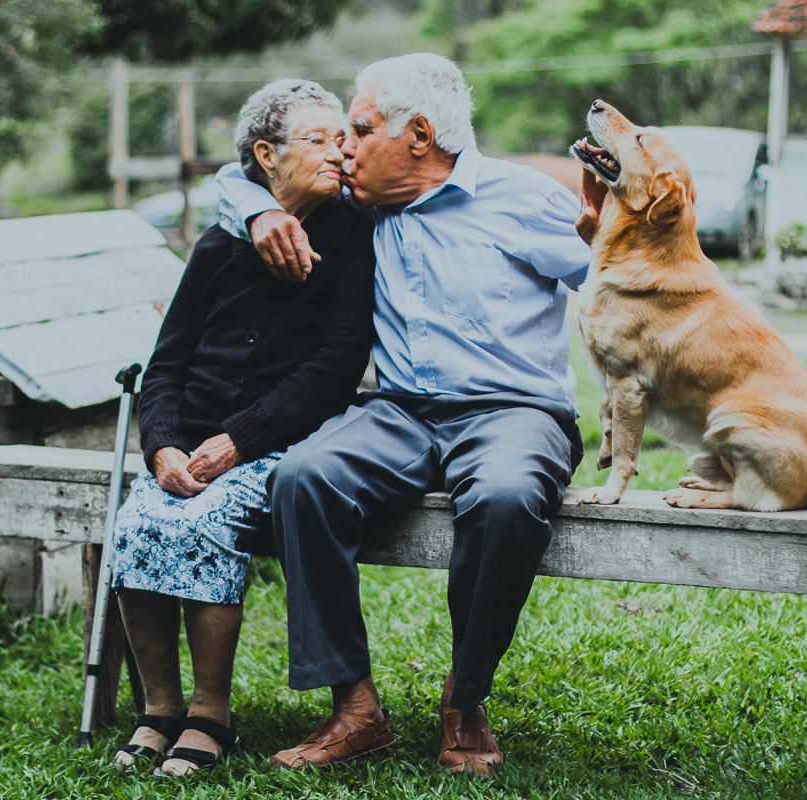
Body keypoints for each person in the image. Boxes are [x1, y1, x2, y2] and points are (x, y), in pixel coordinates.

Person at [216, 53, 592, 776]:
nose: (344, 149)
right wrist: (262, 209)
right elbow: (231, 181)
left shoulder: (524, 197)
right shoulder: (358, 203)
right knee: (303, 477)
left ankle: (466, 697)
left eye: (358, 129)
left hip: (514, 410)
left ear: (418, 135)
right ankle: (355, 708)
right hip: (400, 411)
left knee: (509, 497)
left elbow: (619, 276)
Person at [109, 78, 376, 777]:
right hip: (189, 442)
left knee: (205, 521)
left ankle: (210, 714)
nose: (337, 152)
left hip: (276, 444)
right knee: (138, 521)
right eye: (317, 140)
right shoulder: (220, 243)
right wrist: (163, 446)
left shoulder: (350, 236)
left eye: (339, 138)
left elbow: (334, 367)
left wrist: (239, 441)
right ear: (266, 155)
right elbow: (165, 364)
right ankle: (158, 711)